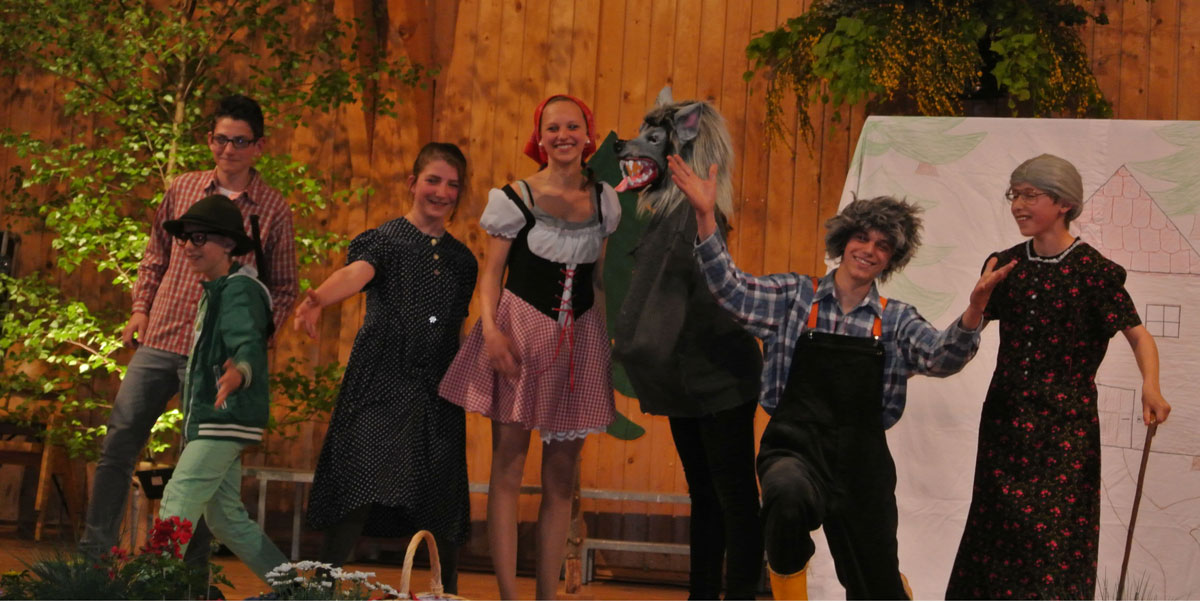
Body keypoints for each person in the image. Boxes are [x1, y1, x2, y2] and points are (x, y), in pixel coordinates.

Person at [668, 154, 1014, 600]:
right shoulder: (794, 297)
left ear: (891, 259)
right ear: (843, 241)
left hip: (862, 464)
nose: (868, 250)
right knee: (785, 496)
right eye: (862, 238)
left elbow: (941, 357)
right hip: (794, 448)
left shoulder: (896, 319)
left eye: (882, 246)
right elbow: (731, 289)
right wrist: (704, 217)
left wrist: (975, 310)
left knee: (877, 586)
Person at [80, 94, 298, 563]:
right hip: (162, 334)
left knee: (196, 465)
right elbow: (155, 253)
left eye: (240, 141)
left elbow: (282, 289)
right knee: (119, 440)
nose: (229, 149)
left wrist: (248, 345)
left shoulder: (273, 210)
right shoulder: (182, 188)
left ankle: (189, 575)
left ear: (259, 147)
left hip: (214, 357)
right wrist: (140, 308)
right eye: (221, 139)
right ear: (209, 140)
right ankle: (94, 557)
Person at [945, 154, 1172, 600]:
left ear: (1064, 203)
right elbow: (965, 336)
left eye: (1030, 195)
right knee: (996, 532)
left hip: (1065, 429)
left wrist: (1151, 385)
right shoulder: (1005, 265)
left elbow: (1139, 336)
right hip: (1006, 423)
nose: (1018, 205)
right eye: (1014, 195)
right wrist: (976, 303)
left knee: (1052, 542)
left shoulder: (1094, 272)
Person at [439, 94, 620, 600]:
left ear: (588, 134)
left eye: (573, 127)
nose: (563, 136)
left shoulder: (604, 200)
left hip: (579, 338)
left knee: (561, 477)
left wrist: (602, 344)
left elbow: (597, 280)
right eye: (553, 128)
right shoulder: (515, 197)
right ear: (539, 138)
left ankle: (546, 595)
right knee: (508, 467)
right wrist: (491, 332)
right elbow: (492, 274)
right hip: (519, 331)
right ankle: (508, 595)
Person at [295, 143, 477, 594]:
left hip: (438, 386)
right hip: (382, 377)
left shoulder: (463, 260)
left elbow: (459, 327)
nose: (441, 192)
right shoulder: (384, 240)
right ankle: (321, 589)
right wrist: (319, 298)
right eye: (433, 180)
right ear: (412, 183)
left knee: (442, 493)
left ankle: (446, 592)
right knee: (359, 478)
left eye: (452, 185)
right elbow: (356, 273)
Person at [155, 193, 289, 582]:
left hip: (222, 419)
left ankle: (151, 586)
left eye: (199, 238)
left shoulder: (238, 290)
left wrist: (240, 371)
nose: (188, 246)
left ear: (228, 243)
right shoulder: (218, 290)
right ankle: (297, 590)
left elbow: (247, 340)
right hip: (216, 419)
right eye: (185, 238)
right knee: (226, 518)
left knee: (178, 499)